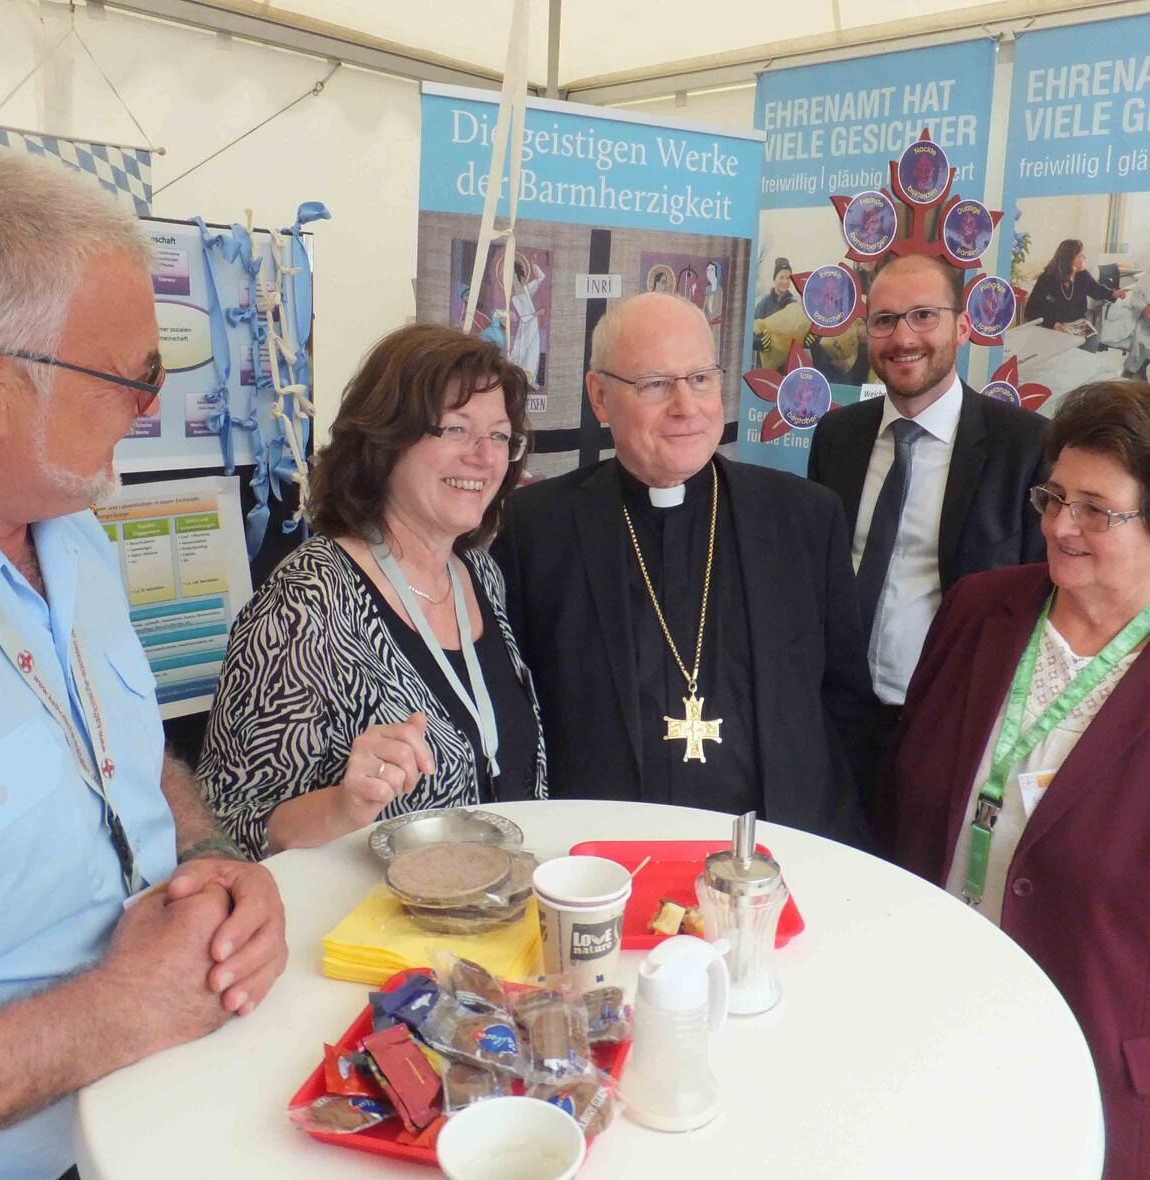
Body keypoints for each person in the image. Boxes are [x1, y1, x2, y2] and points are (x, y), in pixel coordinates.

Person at [0, 149, 285, 1180]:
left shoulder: (76, 535)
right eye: (129, 379)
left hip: (181, 1107)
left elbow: (130, 759)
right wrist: (110, 1015)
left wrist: (213, 861)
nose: (150, 410)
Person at [885, 379, 1150, 1180]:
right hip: (928, 1020)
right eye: (1054, 496)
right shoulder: (977, 610)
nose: (1061, 527)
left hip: (1091, 1058)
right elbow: (904, 798)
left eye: (1096, 510)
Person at [492, 293, 874, 846]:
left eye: (700, 378)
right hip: (597, 859)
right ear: (600, 397)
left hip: (777, 858)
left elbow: (846, 708)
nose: (686, 406)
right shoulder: (532, 529)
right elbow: (513, 718)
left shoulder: (805, 520)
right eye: (655, 384)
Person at [198, 325, 546, 859]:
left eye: (499, 435)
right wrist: (346, 805)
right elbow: (226, 828)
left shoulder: (479, 575)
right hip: (364, 931)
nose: (484, 456)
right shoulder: (307, 600)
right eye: (456, 430)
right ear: (387, 440)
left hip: (486, 916)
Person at [807, 254, 1047, 790]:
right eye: (885, 320)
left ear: (962, 326)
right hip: (836, 721)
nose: (903, 337)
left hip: (951, 729)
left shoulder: (1026, 448)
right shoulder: (836, 437)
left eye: (923, 316)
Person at [1025, 239, 1128, 345]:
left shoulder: (1082, 275)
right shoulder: (1048, 278)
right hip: (1055, 325)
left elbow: (1096, 289)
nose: (1084, 258)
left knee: (1092, 341)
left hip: (1077, 324)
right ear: (1068, 259)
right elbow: (1031, 309)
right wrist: (1052, 324)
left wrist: (1112, 293)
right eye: (1080, 256)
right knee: (1067, 347)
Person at [508, 259, 545, 387]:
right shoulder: (514, 297)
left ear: (517, 275)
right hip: (525, 328)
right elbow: (524, 317)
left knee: (533, 353)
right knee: (521, 353)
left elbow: (541, 277)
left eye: (512, 273)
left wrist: (535, 265)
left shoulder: (527, 289)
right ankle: (518, 379)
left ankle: (530, 380)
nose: (510, 277)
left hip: (533, 327)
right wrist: (538, 313)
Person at [754, 257, 795, 322]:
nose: (785, 281)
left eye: (788, 278)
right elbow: (754, 325)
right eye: (781, 277)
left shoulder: (793, 304)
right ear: (774, 279)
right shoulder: (765, 303)